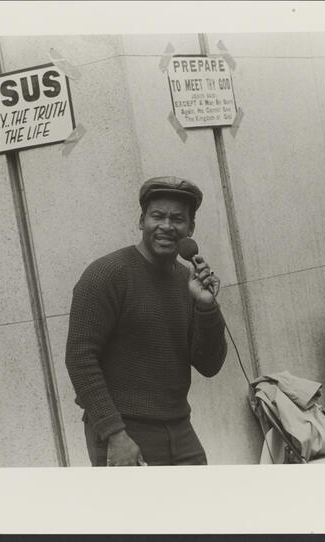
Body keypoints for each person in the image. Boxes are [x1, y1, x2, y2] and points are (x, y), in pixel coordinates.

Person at [65, 176, 227, 466]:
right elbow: (80, 359)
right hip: (123, 431)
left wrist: (206, 306)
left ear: (190, 229)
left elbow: (210, 365)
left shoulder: (187, 281)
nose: (167, 226)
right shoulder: (106, 275)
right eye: (158, 216)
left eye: (177, 219)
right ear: (142, 221)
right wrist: (115, 434)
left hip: (179, 427)